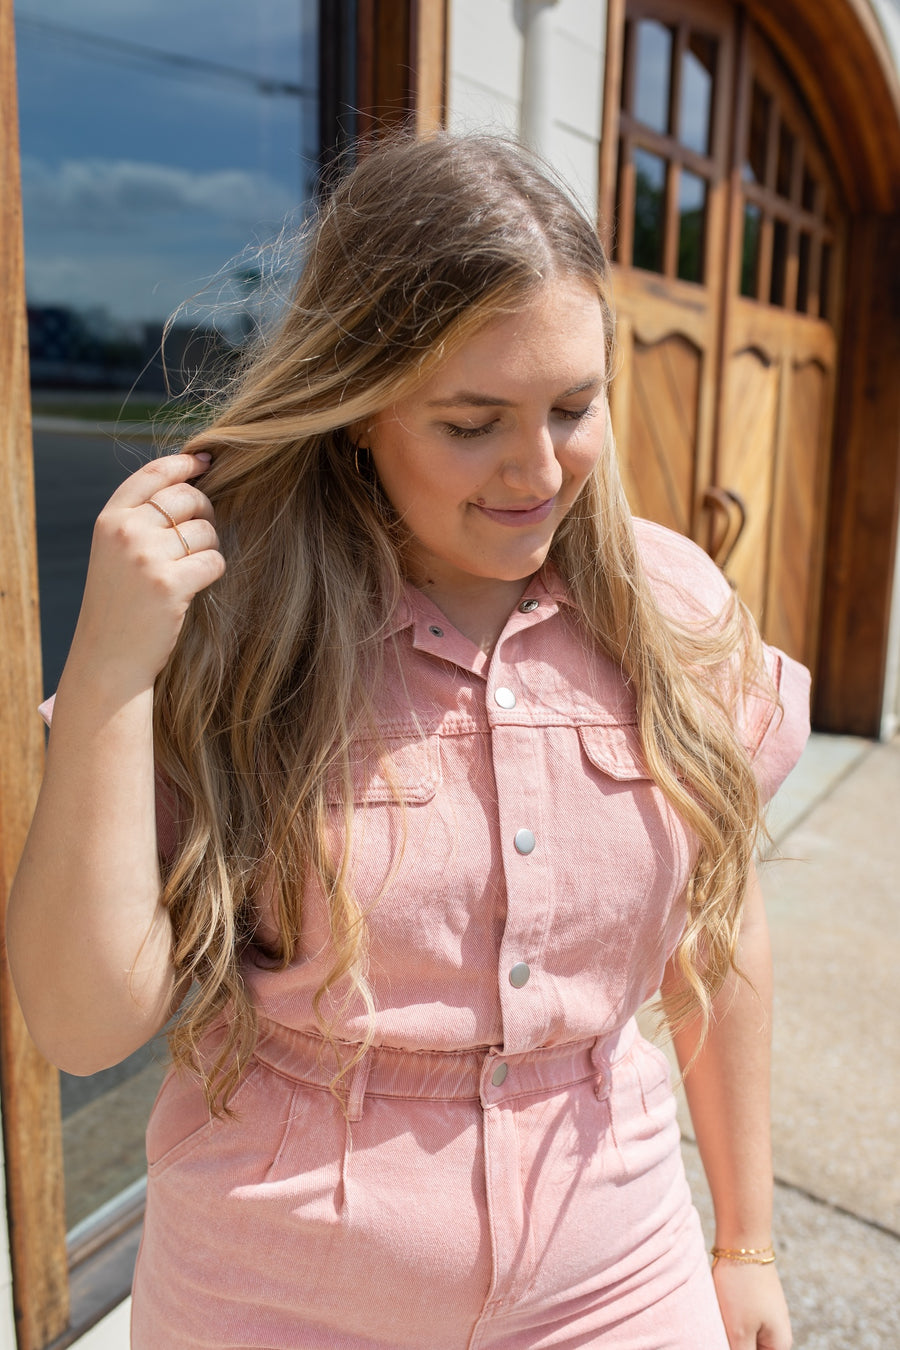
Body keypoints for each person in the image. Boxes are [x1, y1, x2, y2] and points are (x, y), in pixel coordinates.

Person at [8, 133, 808, 1349]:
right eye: (473, 421)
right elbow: (79, 1024)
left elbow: (719, 926)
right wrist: (112, 669)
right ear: (361, 410)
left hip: (613, 1268)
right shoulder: (230, 632)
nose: (540, 472)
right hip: (275, 1288)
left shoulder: (674, 611)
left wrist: (743, 1243)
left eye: (573, 408)